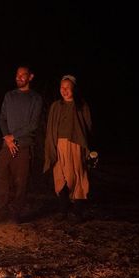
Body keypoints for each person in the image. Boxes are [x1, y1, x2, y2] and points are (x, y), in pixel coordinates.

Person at [0, 66, 44, 223]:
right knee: (1, 176)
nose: (19, 77)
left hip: (23, 145)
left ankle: (16, 213)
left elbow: (33, 124)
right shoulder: (9, 96)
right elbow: (2, 118)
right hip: (7, 145)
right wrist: (7, 138)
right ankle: (2, 210)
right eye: (17, 75)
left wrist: (13, 136)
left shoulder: (35, 98)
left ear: (31, 77)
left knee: (21, 181)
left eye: (23, 75)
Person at [44, 74, 92, 222]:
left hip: (75, 145)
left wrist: (87, 148)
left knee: (77, 176)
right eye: (62, 88)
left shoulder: (81, 106)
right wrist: (51, 146)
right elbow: (51, 127)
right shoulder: (56, 106)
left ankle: (77, 211)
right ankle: (63, 210)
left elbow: (87, 127)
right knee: (60, 176)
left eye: (67, 88)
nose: (64, 91)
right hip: (58, 145)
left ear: (74, 89)